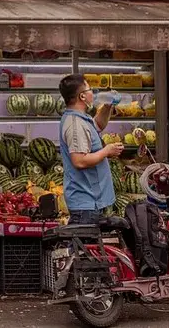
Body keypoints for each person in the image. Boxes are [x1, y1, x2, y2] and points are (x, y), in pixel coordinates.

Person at [58, 73, 124, 225]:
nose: (92, 93)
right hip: (85, 203)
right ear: (82, 96)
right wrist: (106, 151)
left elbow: (98, 125)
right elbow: (79, 161)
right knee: (82, 246)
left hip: (91, 202)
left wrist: (108, 106)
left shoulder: (82, 118)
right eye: (89, 90)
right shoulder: (75, 125)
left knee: (86, 246)